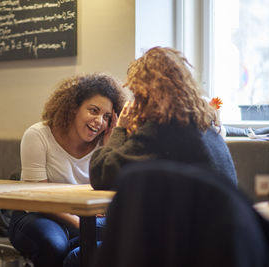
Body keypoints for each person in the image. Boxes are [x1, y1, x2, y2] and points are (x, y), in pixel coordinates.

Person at [8, 73, 126, 267]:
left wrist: (108, 148)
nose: (99, 121)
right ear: (73, 108)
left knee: (127, 232)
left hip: (85, 217)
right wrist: (79, 222)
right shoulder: (38, 135)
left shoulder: (104, 145)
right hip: (38, 214)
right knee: (53, 245)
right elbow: (36, 197)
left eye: (106, 116)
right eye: (93, 111)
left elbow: (111, 193)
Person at [89, 47, 238, 190]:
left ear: (144, 93)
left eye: (136, 93)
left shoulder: (158, 132)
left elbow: (100, 174)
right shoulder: (208, 131)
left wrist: (120, 128)